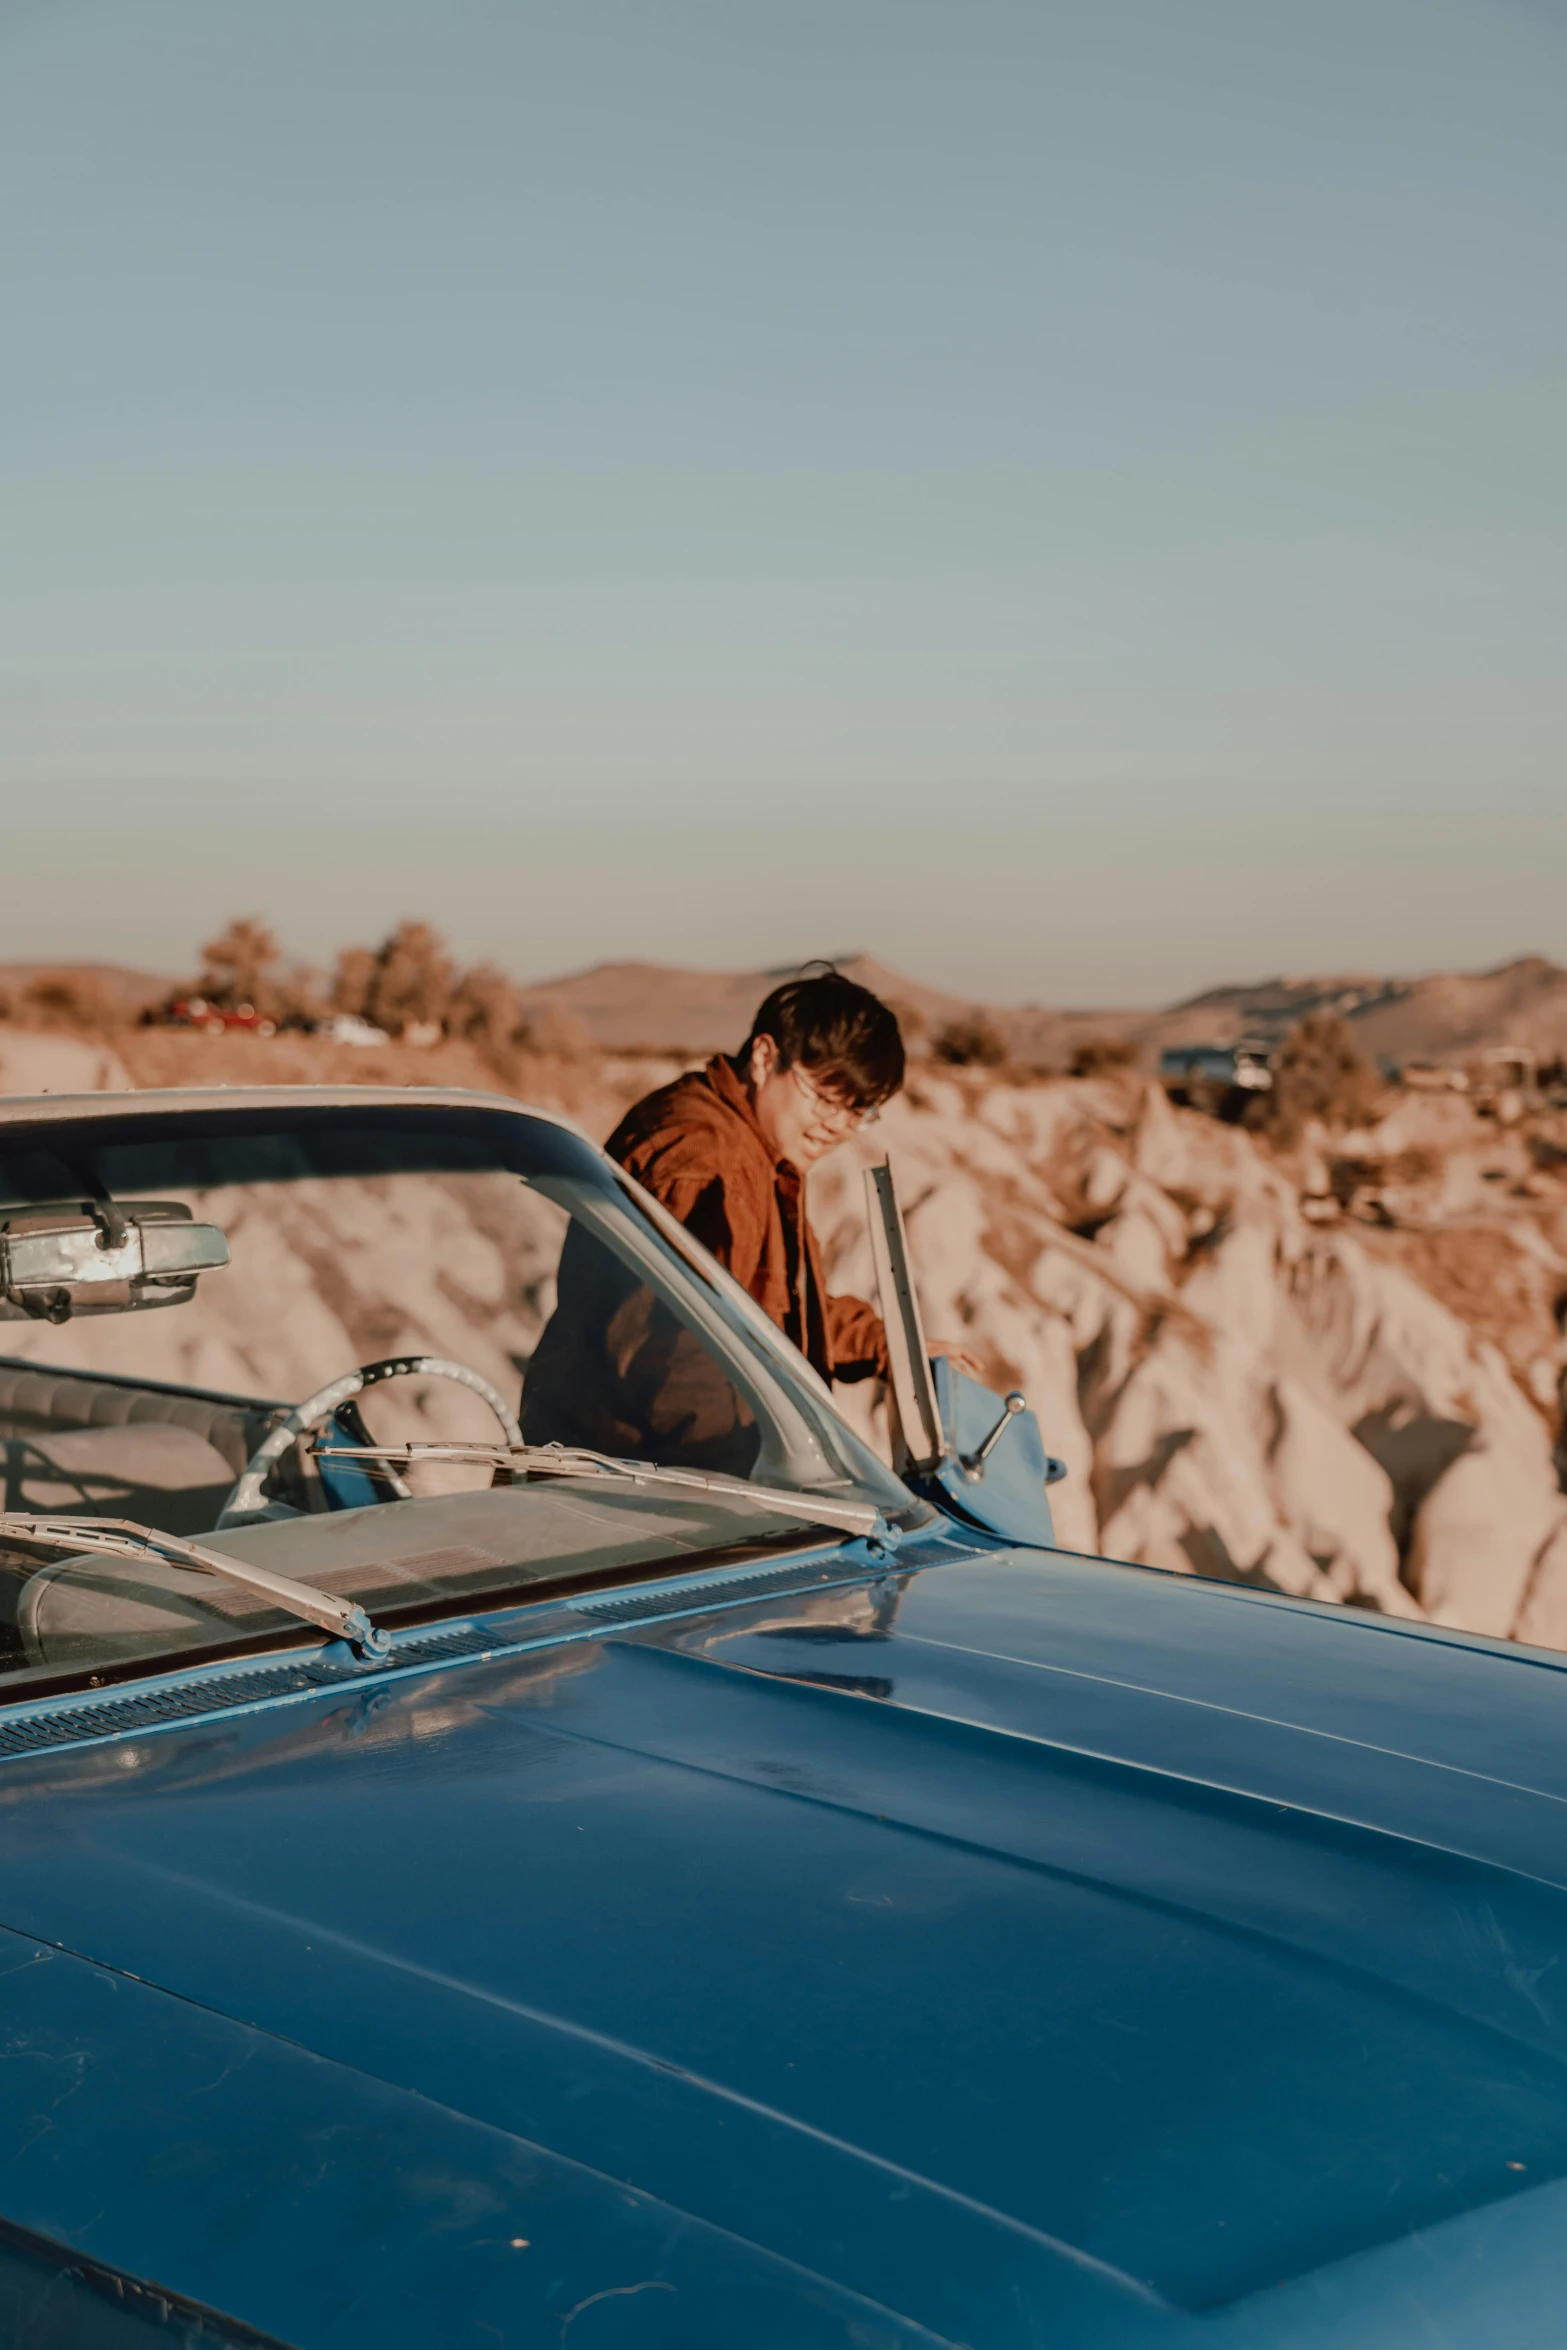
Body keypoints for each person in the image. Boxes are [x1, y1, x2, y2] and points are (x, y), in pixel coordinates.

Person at [519, 968, 977, 1469]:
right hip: (628, 1493)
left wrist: (883, 1345)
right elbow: (671, 1357)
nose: (838, 1126)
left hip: (648, 1478)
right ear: (764, 1058)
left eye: (858, 1111)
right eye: (826, 1098)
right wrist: (772, 1487)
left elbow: (764, 1304)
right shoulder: (707, 1161)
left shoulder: (753, 1145)